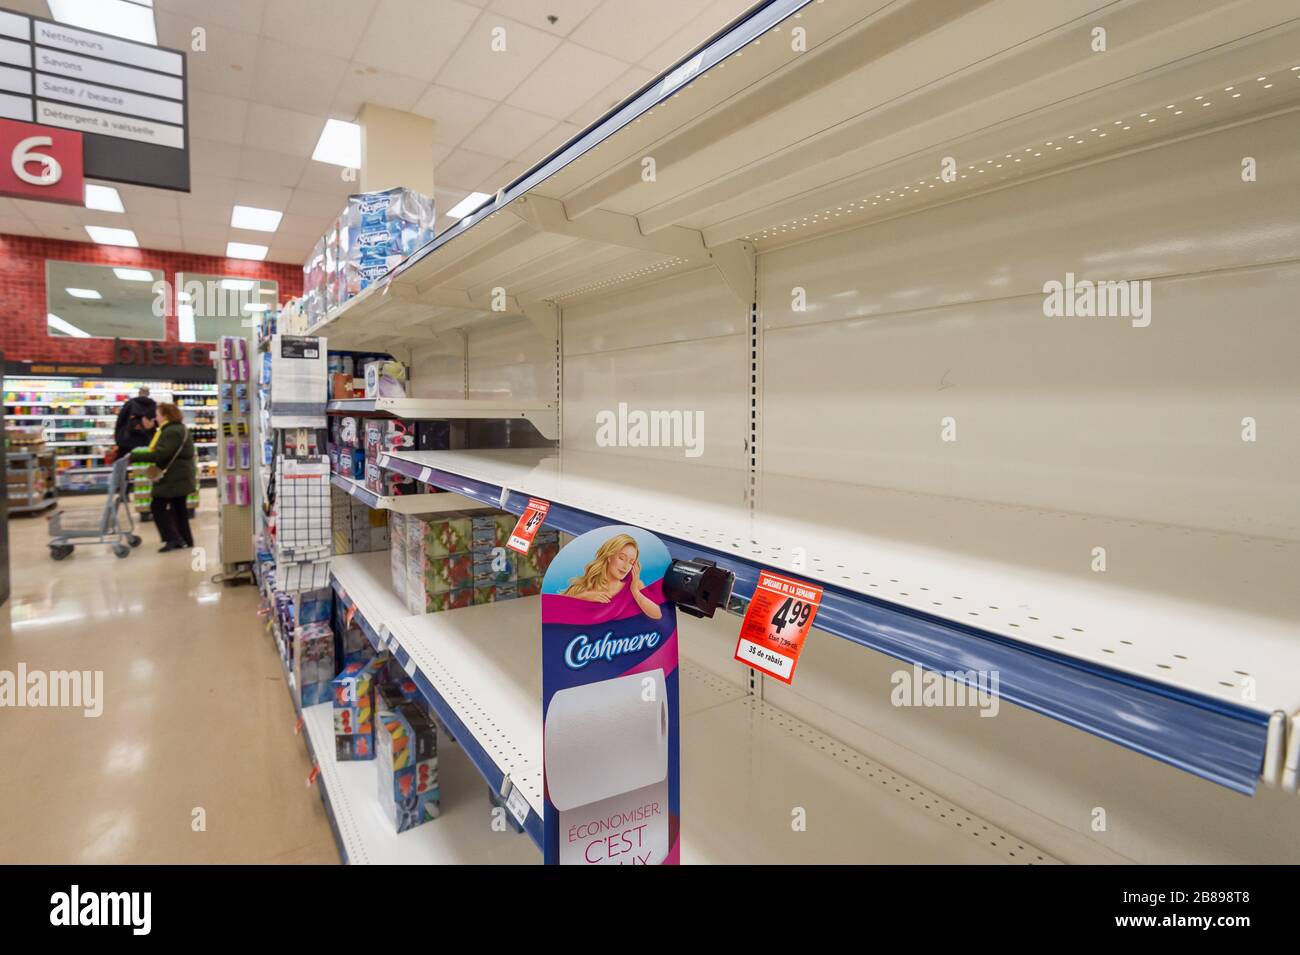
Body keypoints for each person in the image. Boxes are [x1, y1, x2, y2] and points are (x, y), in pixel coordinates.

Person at [131, 402, 196, 553]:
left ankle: (172, 539)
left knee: (157, 506)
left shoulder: (171, 431)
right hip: (179, 476)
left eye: (158, 414)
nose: (156, 417)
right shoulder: (177, 428)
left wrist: (133, 456)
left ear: (166, 415)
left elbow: (161, 453)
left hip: (173, 477)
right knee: (178, 508)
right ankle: (185, 539)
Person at [561, 533, 662, 620]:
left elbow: (657, 614)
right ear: (609, 557)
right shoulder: (587, 588)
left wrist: (635, 592)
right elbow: (557, 612)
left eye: (631, 562)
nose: (626, 566)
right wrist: (584, 596)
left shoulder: (636, 585)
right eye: (622, 558)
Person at [114, 386, 157, 456]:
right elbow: (156, 423)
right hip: (147, 440)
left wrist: (117, 438)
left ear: (139, 393)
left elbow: (120, 421)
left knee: (125, 462)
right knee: (144, 463)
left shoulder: (130, 403)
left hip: (128, 441)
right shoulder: (153, 405)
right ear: (148, 394)